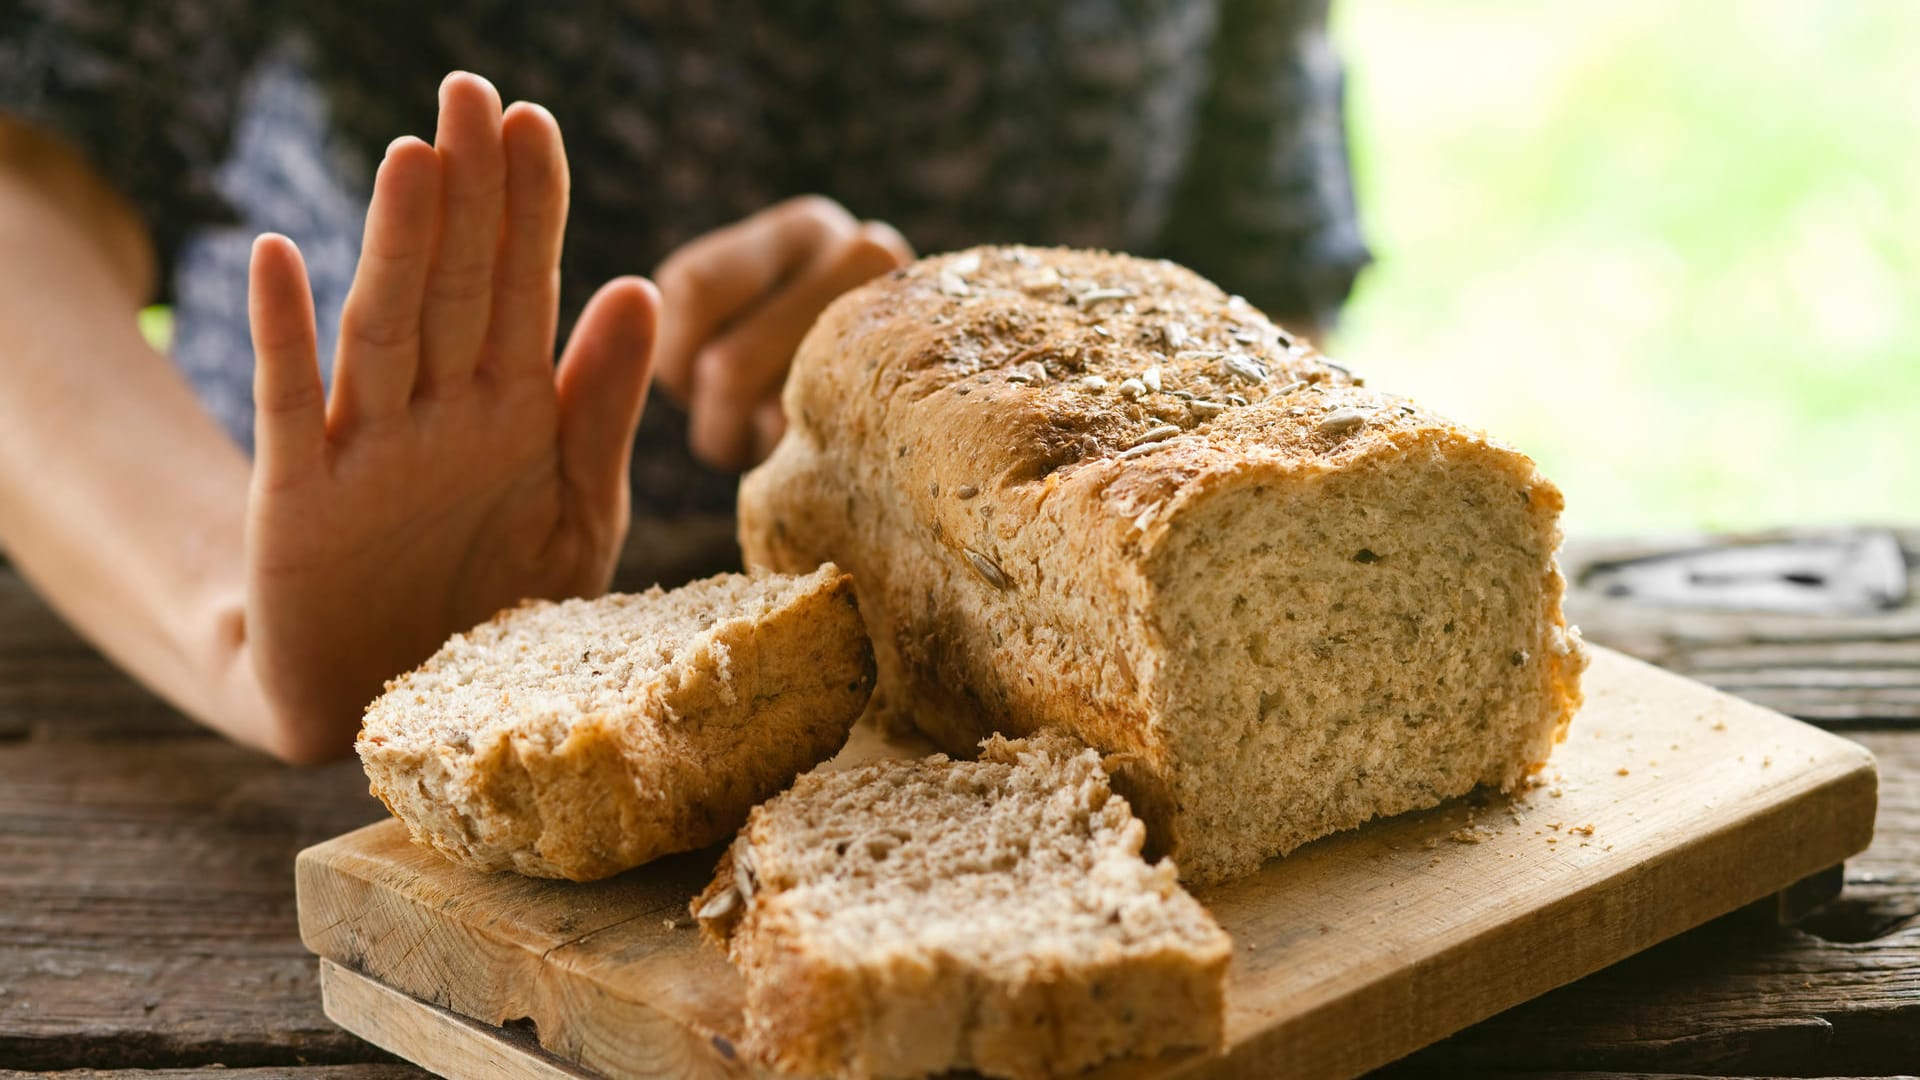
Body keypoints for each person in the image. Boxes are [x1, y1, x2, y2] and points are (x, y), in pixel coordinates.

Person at [0, 2, 1368, 764]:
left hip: (979, 731)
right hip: (271, 677)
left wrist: (947, 362)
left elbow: (1258, 287)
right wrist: (233, 619)